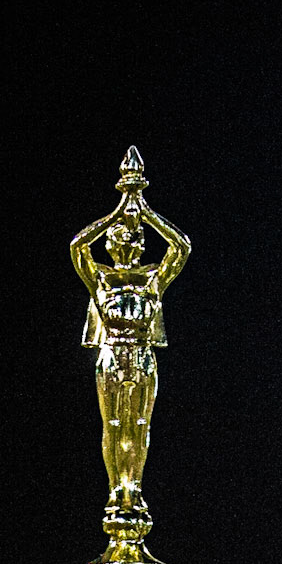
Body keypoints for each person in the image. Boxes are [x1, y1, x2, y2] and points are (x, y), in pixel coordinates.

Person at [71, 148, 190, 543]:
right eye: (121, 237)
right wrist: (120, 208)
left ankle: (133, 490)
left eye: (134, 237)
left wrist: (144, 208)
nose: (129, 242)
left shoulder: (152, 279)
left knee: (140, 426)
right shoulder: (102, 279)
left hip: (142, 355)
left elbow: (181, 247)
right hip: (111, 354)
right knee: (114, 425)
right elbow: (77, 248)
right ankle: (115, 492)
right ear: (110, 243)